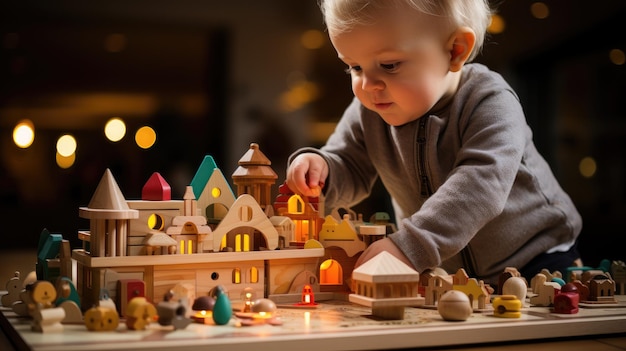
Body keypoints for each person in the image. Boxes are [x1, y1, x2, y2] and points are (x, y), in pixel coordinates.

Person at [285, 0, 583, 285]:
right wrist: (321, 170)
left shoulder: (490, 102)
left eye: (389, 65)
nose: (367, 85)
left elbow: (481, 185)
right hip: (447, 270)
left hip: (537, 258)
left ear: (455, 51)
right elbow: (348, 163)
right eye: (355, 67)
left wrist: (410, 246)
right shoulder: (369, 111)